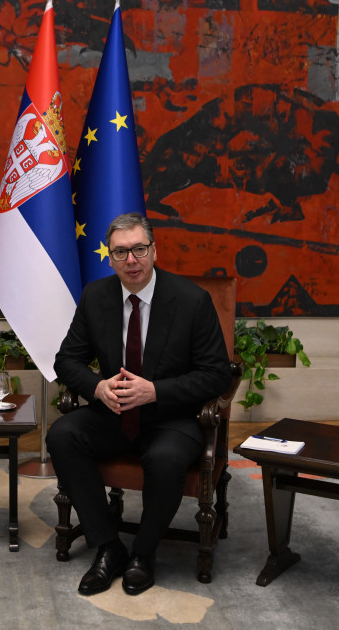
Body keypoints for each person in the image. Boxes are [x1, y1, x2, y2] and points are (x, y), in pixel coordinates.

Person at [47, 212, 232, 596]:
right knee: (63, 434)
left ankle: (143, 555)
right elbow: (66, 361)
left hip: (171, 417)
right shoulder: (96, 296)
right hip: (113, 414)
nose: (131, 260)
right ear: (110, 257)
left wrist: (156, 391)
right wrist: (97, 387)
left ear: (154, 251)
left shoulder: (191, 300)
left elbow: (216, 375)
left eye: (139, 249)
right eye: (120, 252)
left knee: (165, 458)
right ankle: (108, 547)